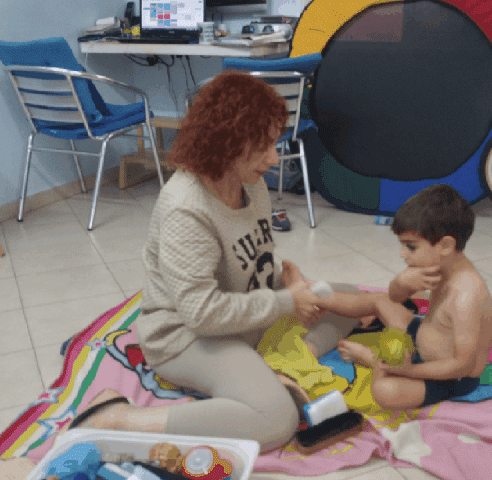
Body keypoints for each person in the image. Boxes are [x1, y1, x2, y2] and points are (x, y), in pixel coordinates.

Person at [57, 71, 367, 453]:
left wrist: (287, 283)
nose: (274, 158)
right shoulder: (185, 208)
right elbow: (202, 315)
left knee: (347, 298)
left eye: (274, 143)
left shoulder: (250, 182)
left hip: (244, 319)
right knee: (276, 420)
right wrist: (288, 302)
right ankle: (118, 419)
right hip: (188, 336)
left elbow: (248, 259)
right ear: (226, 142)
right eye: (263, 146)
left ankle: (280, 369)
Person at [312, 184, 492, 410]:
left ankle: (373, 360)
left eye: (411, 247)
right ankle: (318, 299)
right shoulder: (439, 264)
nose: (402, 254)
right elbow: (395, 297)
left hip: (448, 376)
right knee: (380, 300)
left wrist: (406, 371)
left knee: (385, 391)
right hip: (423, 342)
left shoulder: (466, 296)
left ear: (446, 245)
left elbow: (463, 366)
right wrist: (401, 283)